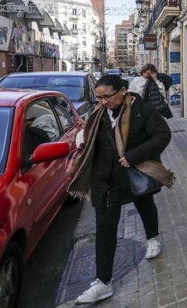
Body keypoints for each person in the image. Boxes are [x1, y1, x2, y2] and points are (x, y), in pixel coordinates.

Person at [67, 75, 172, 304]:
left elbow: (164, 135)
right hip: (104, 180)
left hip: (133, 173)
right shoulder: (98, 114)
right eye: (99, 97)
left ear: (123, 91)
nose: (103, 102)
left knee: (144, 204)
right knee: (105, 230)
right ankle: (103, 283)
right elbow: (90, 136)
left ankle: (152, 238)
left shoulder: (141, 109)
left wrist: (133, 156)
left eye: (107, 96)